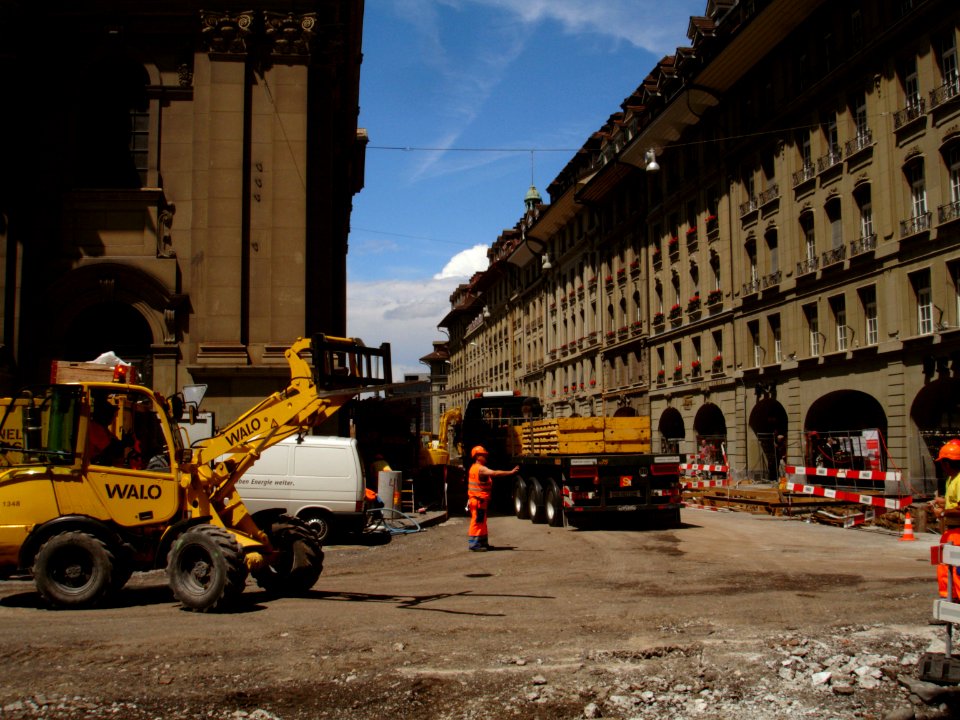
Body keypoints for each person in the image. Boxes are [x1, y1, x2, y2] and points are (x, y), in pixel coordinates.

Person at [467, 445, 518, 552]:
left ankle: (482, 542)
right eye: (483, 455)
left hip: (478, 500)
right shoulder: (480, 469)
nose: (485, 457)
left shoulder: (473, 468)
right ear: (477, 456)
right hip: (478, 501)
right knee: (477, 522)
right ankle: (474, 544)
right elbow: (495, 473)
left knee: (481, 522)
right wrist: (510, 472)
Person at [932, 439, 960, 599]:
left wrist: (943, 513)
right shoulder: (953, 479)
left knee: (957, 570)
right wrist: (943, 502)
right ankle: (949, 601)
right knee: (945, 567)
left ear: (947, 463)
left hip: (958, 532)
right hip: (952, 532)